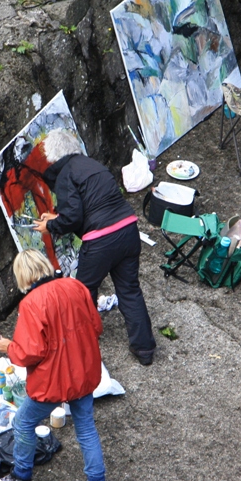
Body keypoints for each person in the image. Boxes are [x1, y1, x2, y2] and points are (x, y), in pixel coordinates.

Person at [34, 129, 157, 365]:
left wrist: (51, 226)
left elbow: (72, 218)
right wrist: (57, 218)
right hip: (129, 229)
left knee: (83, 291)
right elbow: (88, 205)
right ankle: (144, 350)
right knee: (129, 290)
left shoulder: (65, 174)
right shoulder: (92, 164)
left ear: (53, 156)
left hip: (102, 239)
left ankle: (85, 339)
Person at [0, 249, 107, 481]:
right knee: (86, 429)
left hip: (53, 381)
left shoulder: (31, 303)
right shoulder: (75, 286)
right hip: (83, 372)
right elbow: (97, 326)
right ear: (44, 265)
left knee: (22, 423)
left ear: (22, 276)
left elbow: (29, 353)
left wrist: (9, 346)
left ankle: (22, 480)